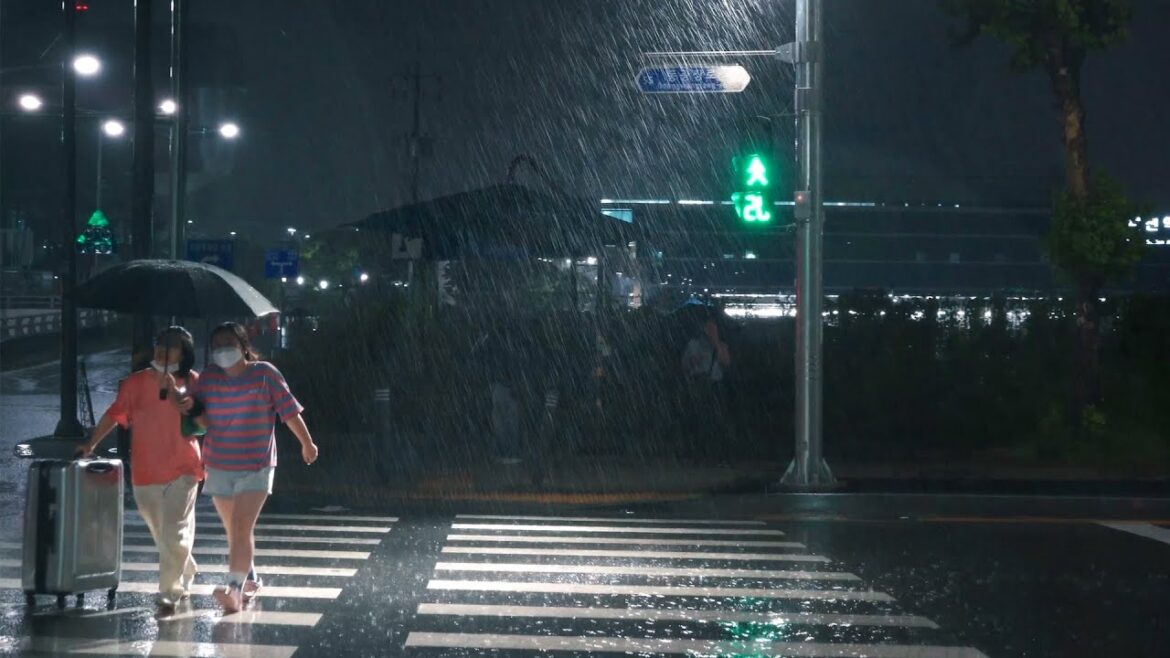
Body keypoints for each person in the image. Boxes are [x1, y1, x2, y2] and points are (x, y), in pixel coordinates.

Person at [175, 321, 318, 614]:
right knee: (235, 531)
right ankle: (250, 578)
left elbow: (289, 412)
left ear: (243, 346)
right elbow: (202, 422)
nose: (222, 349)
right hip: (218, 465)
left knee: (241, 527)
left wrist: (307, 443)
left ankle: (234, 591)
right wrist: (187, 405)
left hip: (256, 465)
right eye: (217, 345)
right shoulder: (209, 378)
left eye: (229, 343)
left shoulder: (265, 374)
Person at [76, 326, 203, 610]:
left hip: (184, 466)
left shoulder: (193, 381)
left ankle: (170, 590)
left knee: (174, 529)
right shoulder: (135, 383)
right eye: (161, 343)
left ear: (184, 354)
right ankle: (185, 565)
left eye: (172, 346)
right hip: (145, 469)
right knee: (161, 531)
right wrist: (91, 443)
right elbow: (115, 414)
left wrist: (177, 393)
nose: (163, 350)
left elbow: (202, 419)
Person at [681, 314, 733, 463]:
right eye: (709, 329)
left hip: (715, 385)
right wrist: (693, 362)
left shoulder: (720, 345)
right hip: (699, 384)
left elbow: (726, 362)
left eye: (714, 329)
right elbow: (684, 365)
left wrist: (716, 344)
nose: (711, 331)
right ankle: (699, 453)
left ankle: (716, 454)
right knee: (699, 420)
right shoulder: (694, 344)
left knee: (716, 421)